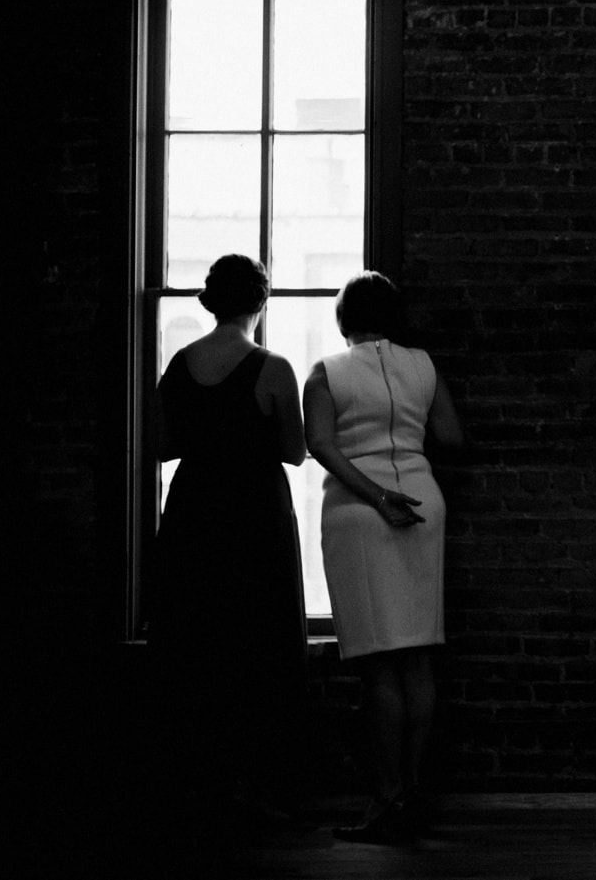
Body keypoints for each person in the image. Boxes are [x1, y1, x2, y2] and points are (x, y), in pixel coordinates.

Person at [304, 271, 464, 844]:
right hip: (424, 505)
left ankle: (385, 798)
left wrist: (375, 493)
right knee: (418, 657)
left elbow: (319, 444)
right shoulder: (423, 364)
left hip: (359, 511)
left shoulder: (328, 371)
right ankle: (415, 795)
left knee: (377, 663)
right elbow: (450, 437)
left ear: (344, 319)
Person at [148, 253, 308, 824]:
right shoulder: (273, 367)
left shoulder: (180, 363)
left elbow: (164, 445)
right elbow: (294, 451)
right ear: (261, 302)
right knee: (257, 640)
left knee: (198, 639)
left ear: (212, 301)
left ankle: (196, 785)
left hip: (195, 510)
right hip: (254, 512)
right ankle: (256, 786)